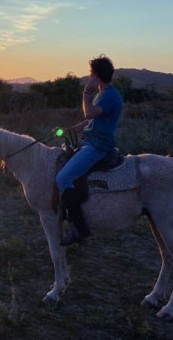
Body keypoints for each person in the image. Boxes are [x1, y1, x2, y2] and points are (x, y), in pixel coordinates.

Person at [56, 55, 123, 246]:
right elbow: (91, 120)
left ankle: (79, 229)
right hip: (90, 141)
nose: (89, 78)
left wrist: (86, 93)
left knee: (63, 178)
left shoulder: (110, 94)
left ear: (96, 76)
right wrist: (71, 130)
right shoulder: (103, 94)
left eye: (91, 74)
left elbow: (89, 112)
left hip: (98, 146)